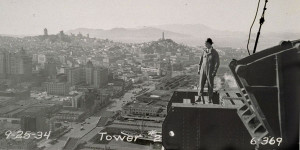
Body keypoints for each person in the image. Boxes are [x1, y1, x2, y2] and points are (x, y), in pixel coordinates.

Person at [197, 38, 220, 103]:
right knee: (201, 84)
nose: (205, 44)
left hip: (210, 71)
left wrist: (214, 72)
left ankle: (209, 98)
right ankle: (199, 97)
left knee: (210, 85)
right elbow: (200, 61)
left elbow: (217, 63)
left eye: (206, 43)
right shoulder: (204, 51)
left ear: (210, 44)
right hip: (202, 70)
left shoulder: (214, 52)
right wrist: (199, 69)